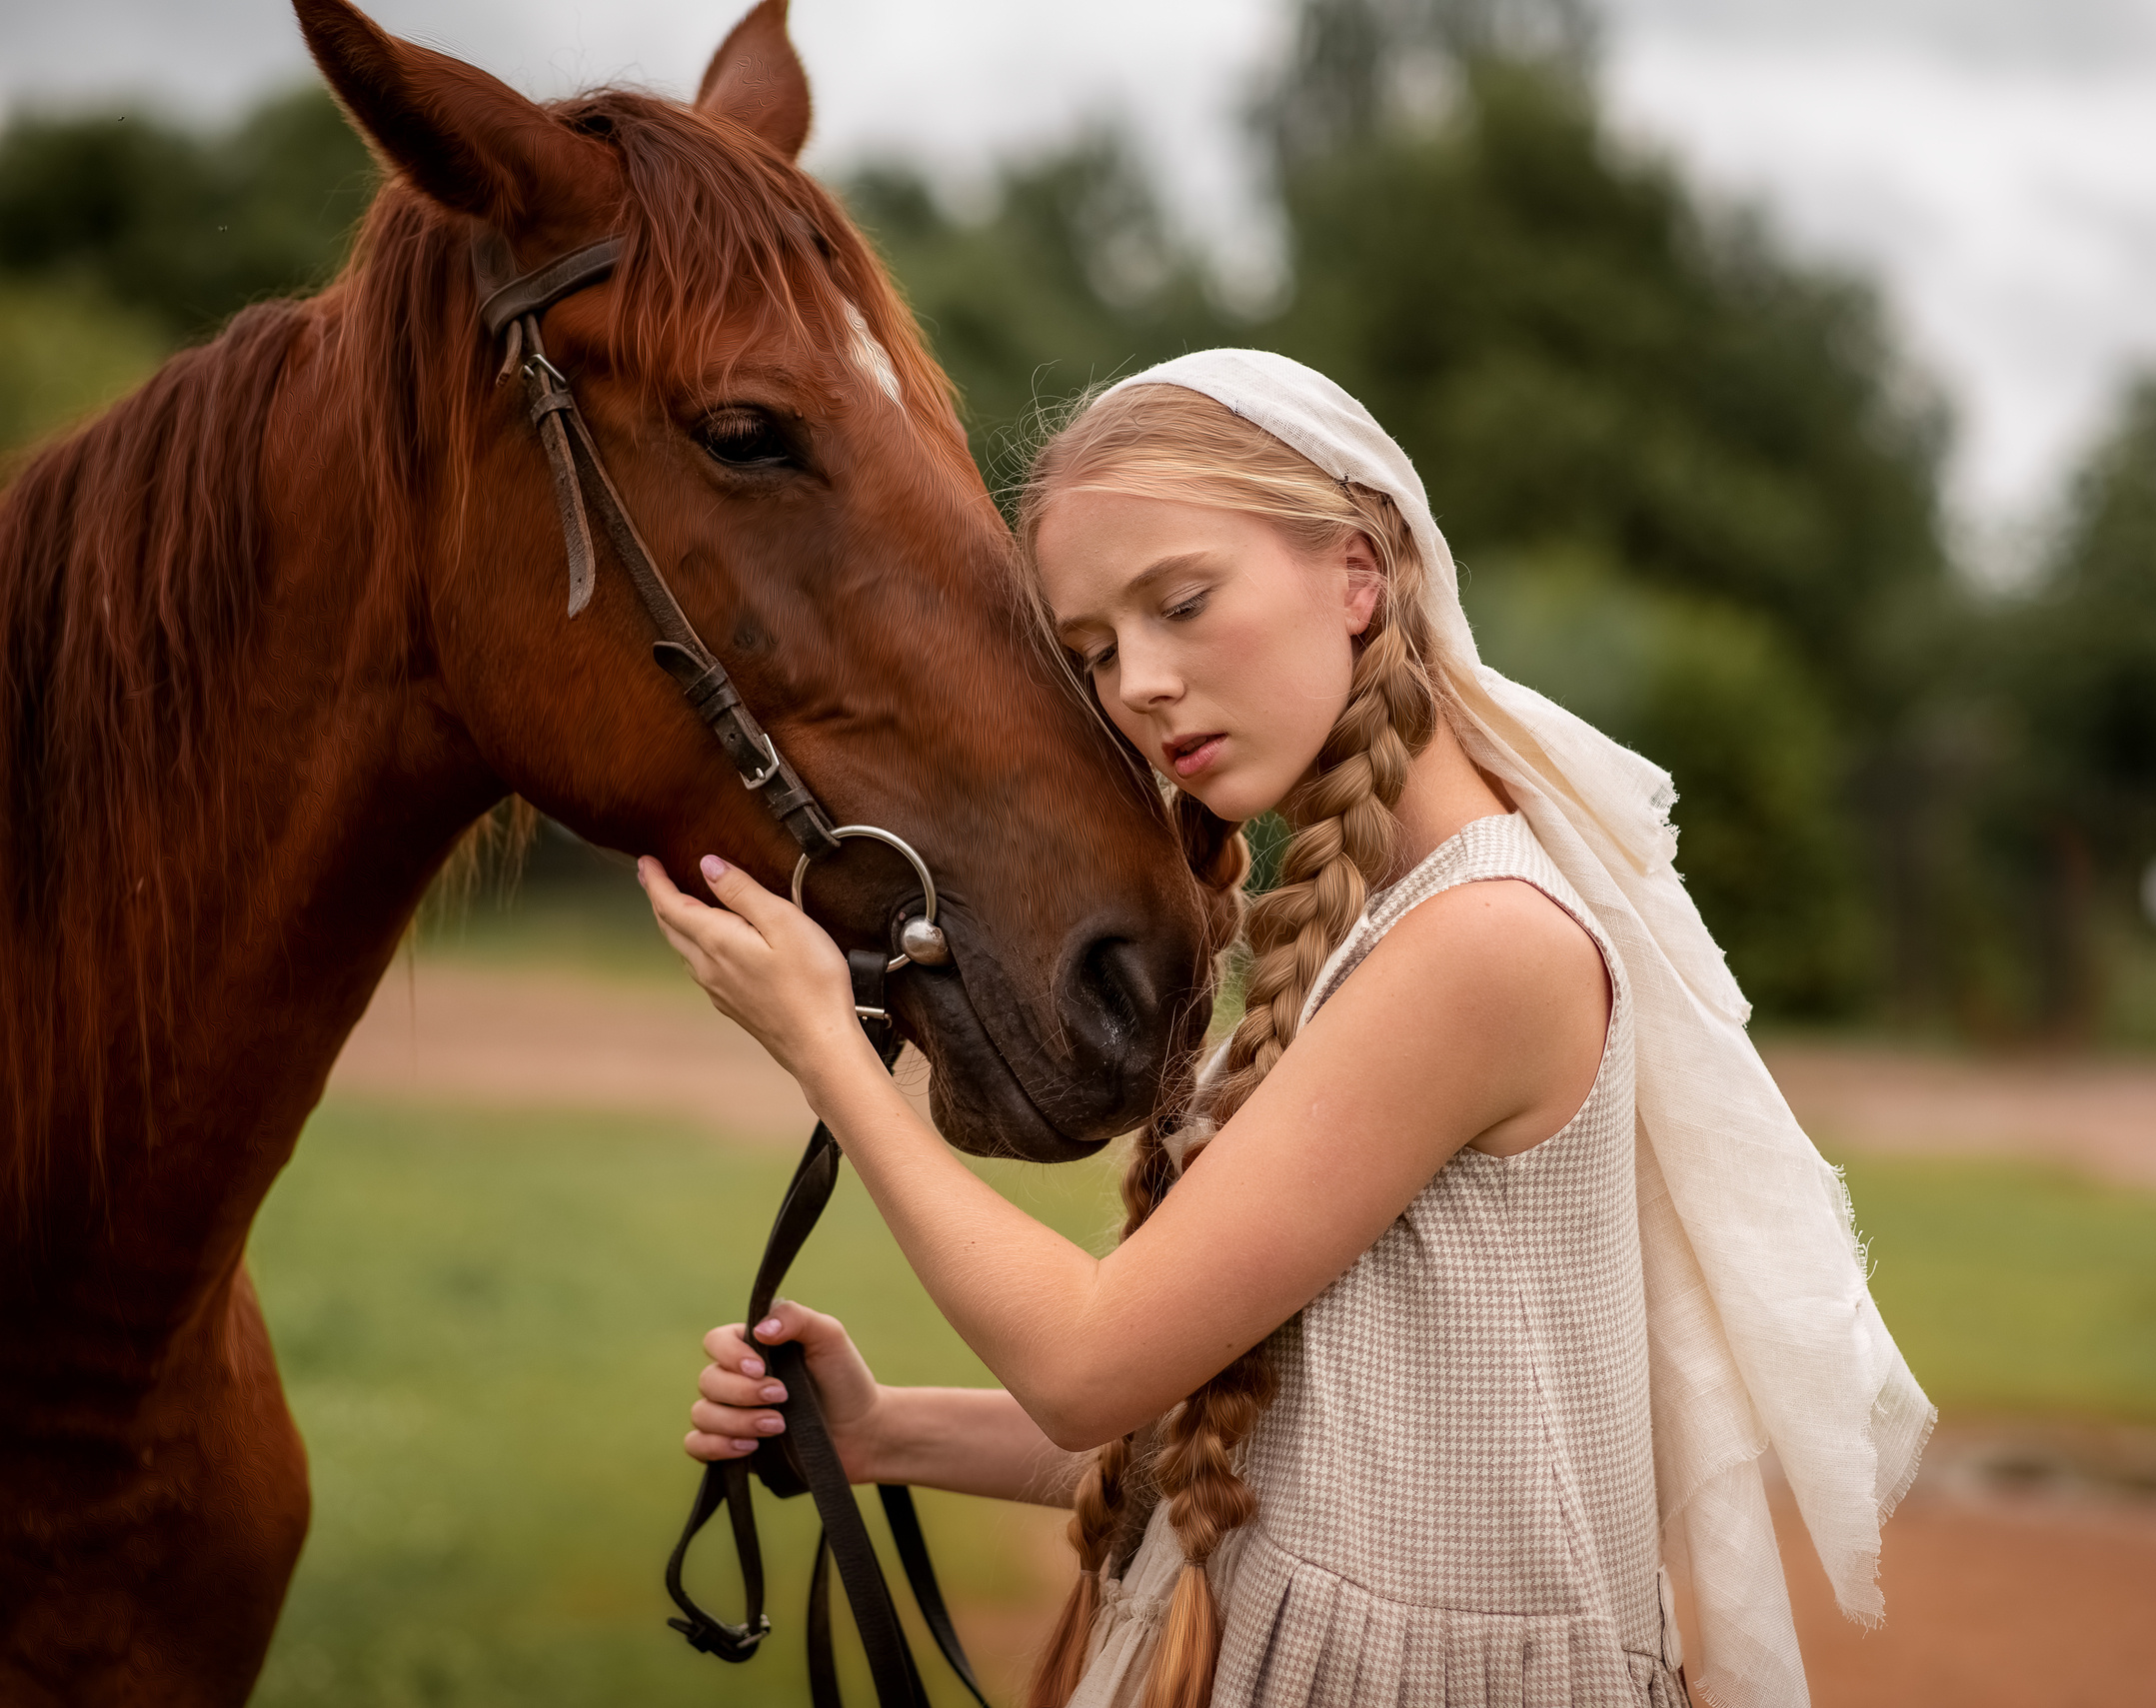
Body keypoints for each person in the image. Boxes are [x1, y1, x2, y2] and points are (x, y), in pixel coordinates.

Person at [639, 351, 1931, 1708]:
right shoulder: (1378, 926)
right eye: (1094, 651)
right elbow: (1278, 1444)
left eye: (1182, 603)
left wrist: (826, 1050)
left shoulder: (1483, 943)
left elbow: (1090, 1360)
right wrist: (888, 1428)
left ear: (1359, 572)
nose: (1139, 680)